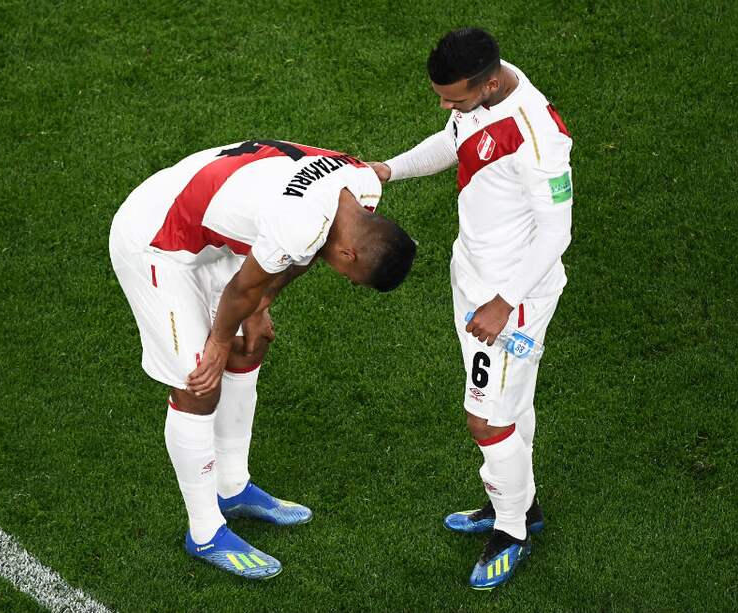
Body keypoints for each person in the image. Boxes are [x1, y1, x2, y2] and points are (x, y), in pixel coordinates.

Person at [109, 139, 416, 580]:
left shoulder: (362, 189)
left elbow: (297, 254)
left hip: (212, 232)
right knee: (199, 379)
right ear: (350, 253)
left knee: (250, 343)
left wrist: (261, 305)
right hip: (157, 238)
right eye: (355, 279)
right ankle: (204, 531)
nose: (349, 283)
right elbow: (243, 289)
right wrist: (216, 342)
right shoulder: (301, 223)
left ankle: (232, 487)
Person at [369, 28, 573, 590]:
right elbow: (453, 140)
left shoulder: (538, 139)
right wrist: (389, 169)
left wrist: (505, 304)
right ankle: (521, 505)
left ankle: (511, 532)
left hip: (511, 301)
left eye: (453, 97)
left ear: (487, 83)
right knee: (512, 404)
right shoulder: (481, 99)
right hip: (477, 282)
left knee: (486, 417)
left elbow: (557, 233)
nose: (445, 106)